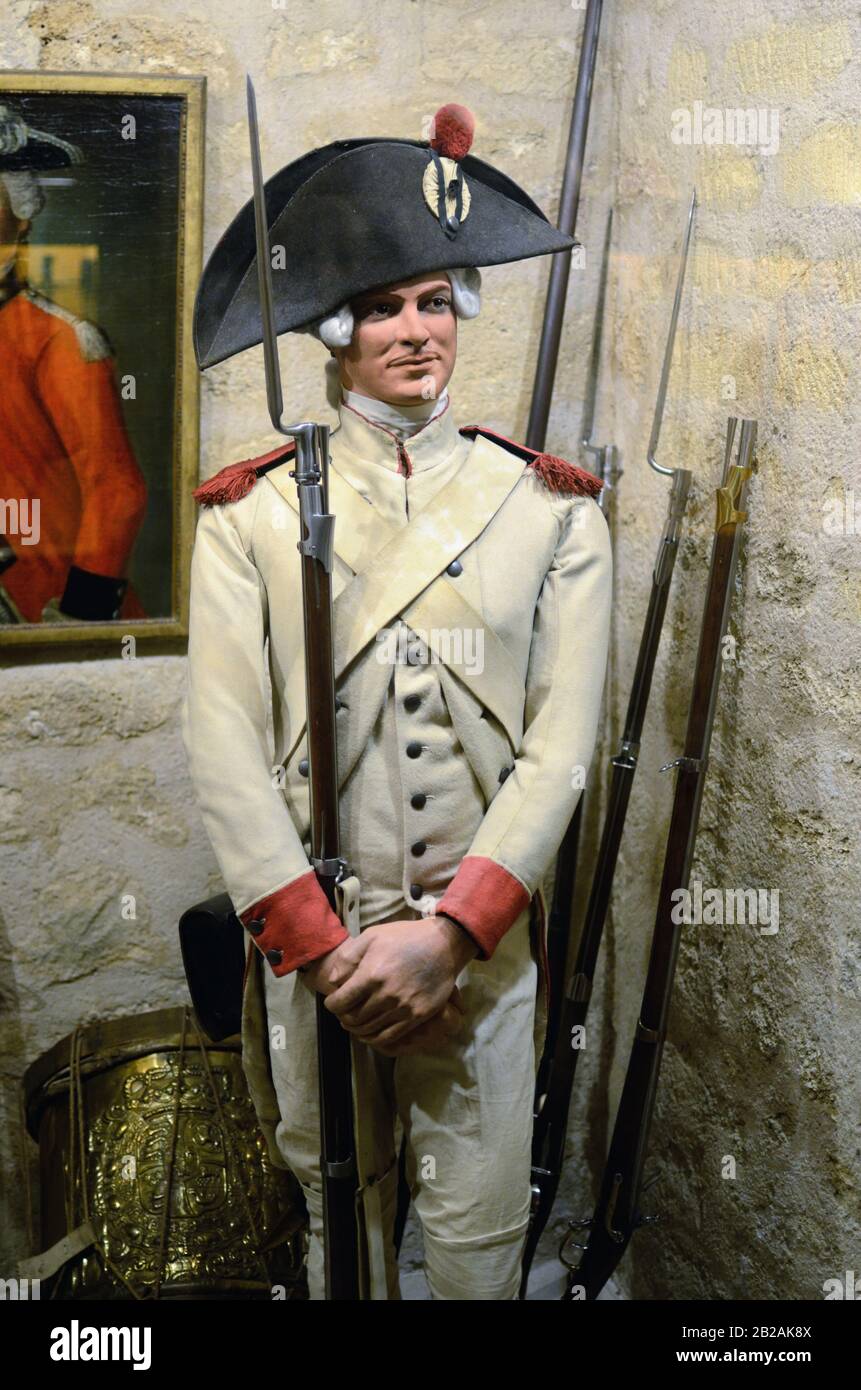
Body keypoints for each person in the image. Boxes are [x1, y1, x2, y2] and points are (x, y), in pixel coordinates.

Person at [182, 102, 612, 1299]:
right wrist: (322, 950)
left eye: (433, 300)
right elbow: (221, 743)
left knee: (478, 1237)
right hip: (324, 950)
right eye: (382, 307)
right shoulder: (254, 512)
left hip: (475, 954)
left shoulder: (554, 508)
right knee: (338, 1220)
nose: (415, 332)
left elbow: (563, 746)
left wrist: (454, 931)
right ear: (333, 328)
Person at [0, 104, 147, 624]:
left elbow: (118, 491)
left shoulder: (62, 339)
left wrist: (81, 613)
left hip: (37, 599)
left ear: (19, 219)